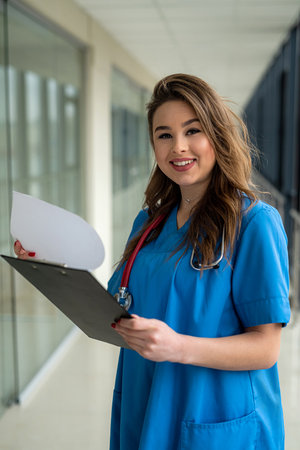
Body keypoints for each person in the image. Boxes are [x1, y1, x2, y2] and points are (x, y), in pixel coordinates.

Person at [15, 73, 290, 450]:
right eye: (164, 135)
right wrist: (49, 264)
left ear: (217, 136)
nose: (178, 147)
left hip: (214, 415)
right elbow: (119, 315)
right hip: (145, 403)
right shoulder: (150, 222)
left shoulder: (254, 223)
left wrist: (178, 347)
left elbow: (265, 348)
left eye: (192, 131)